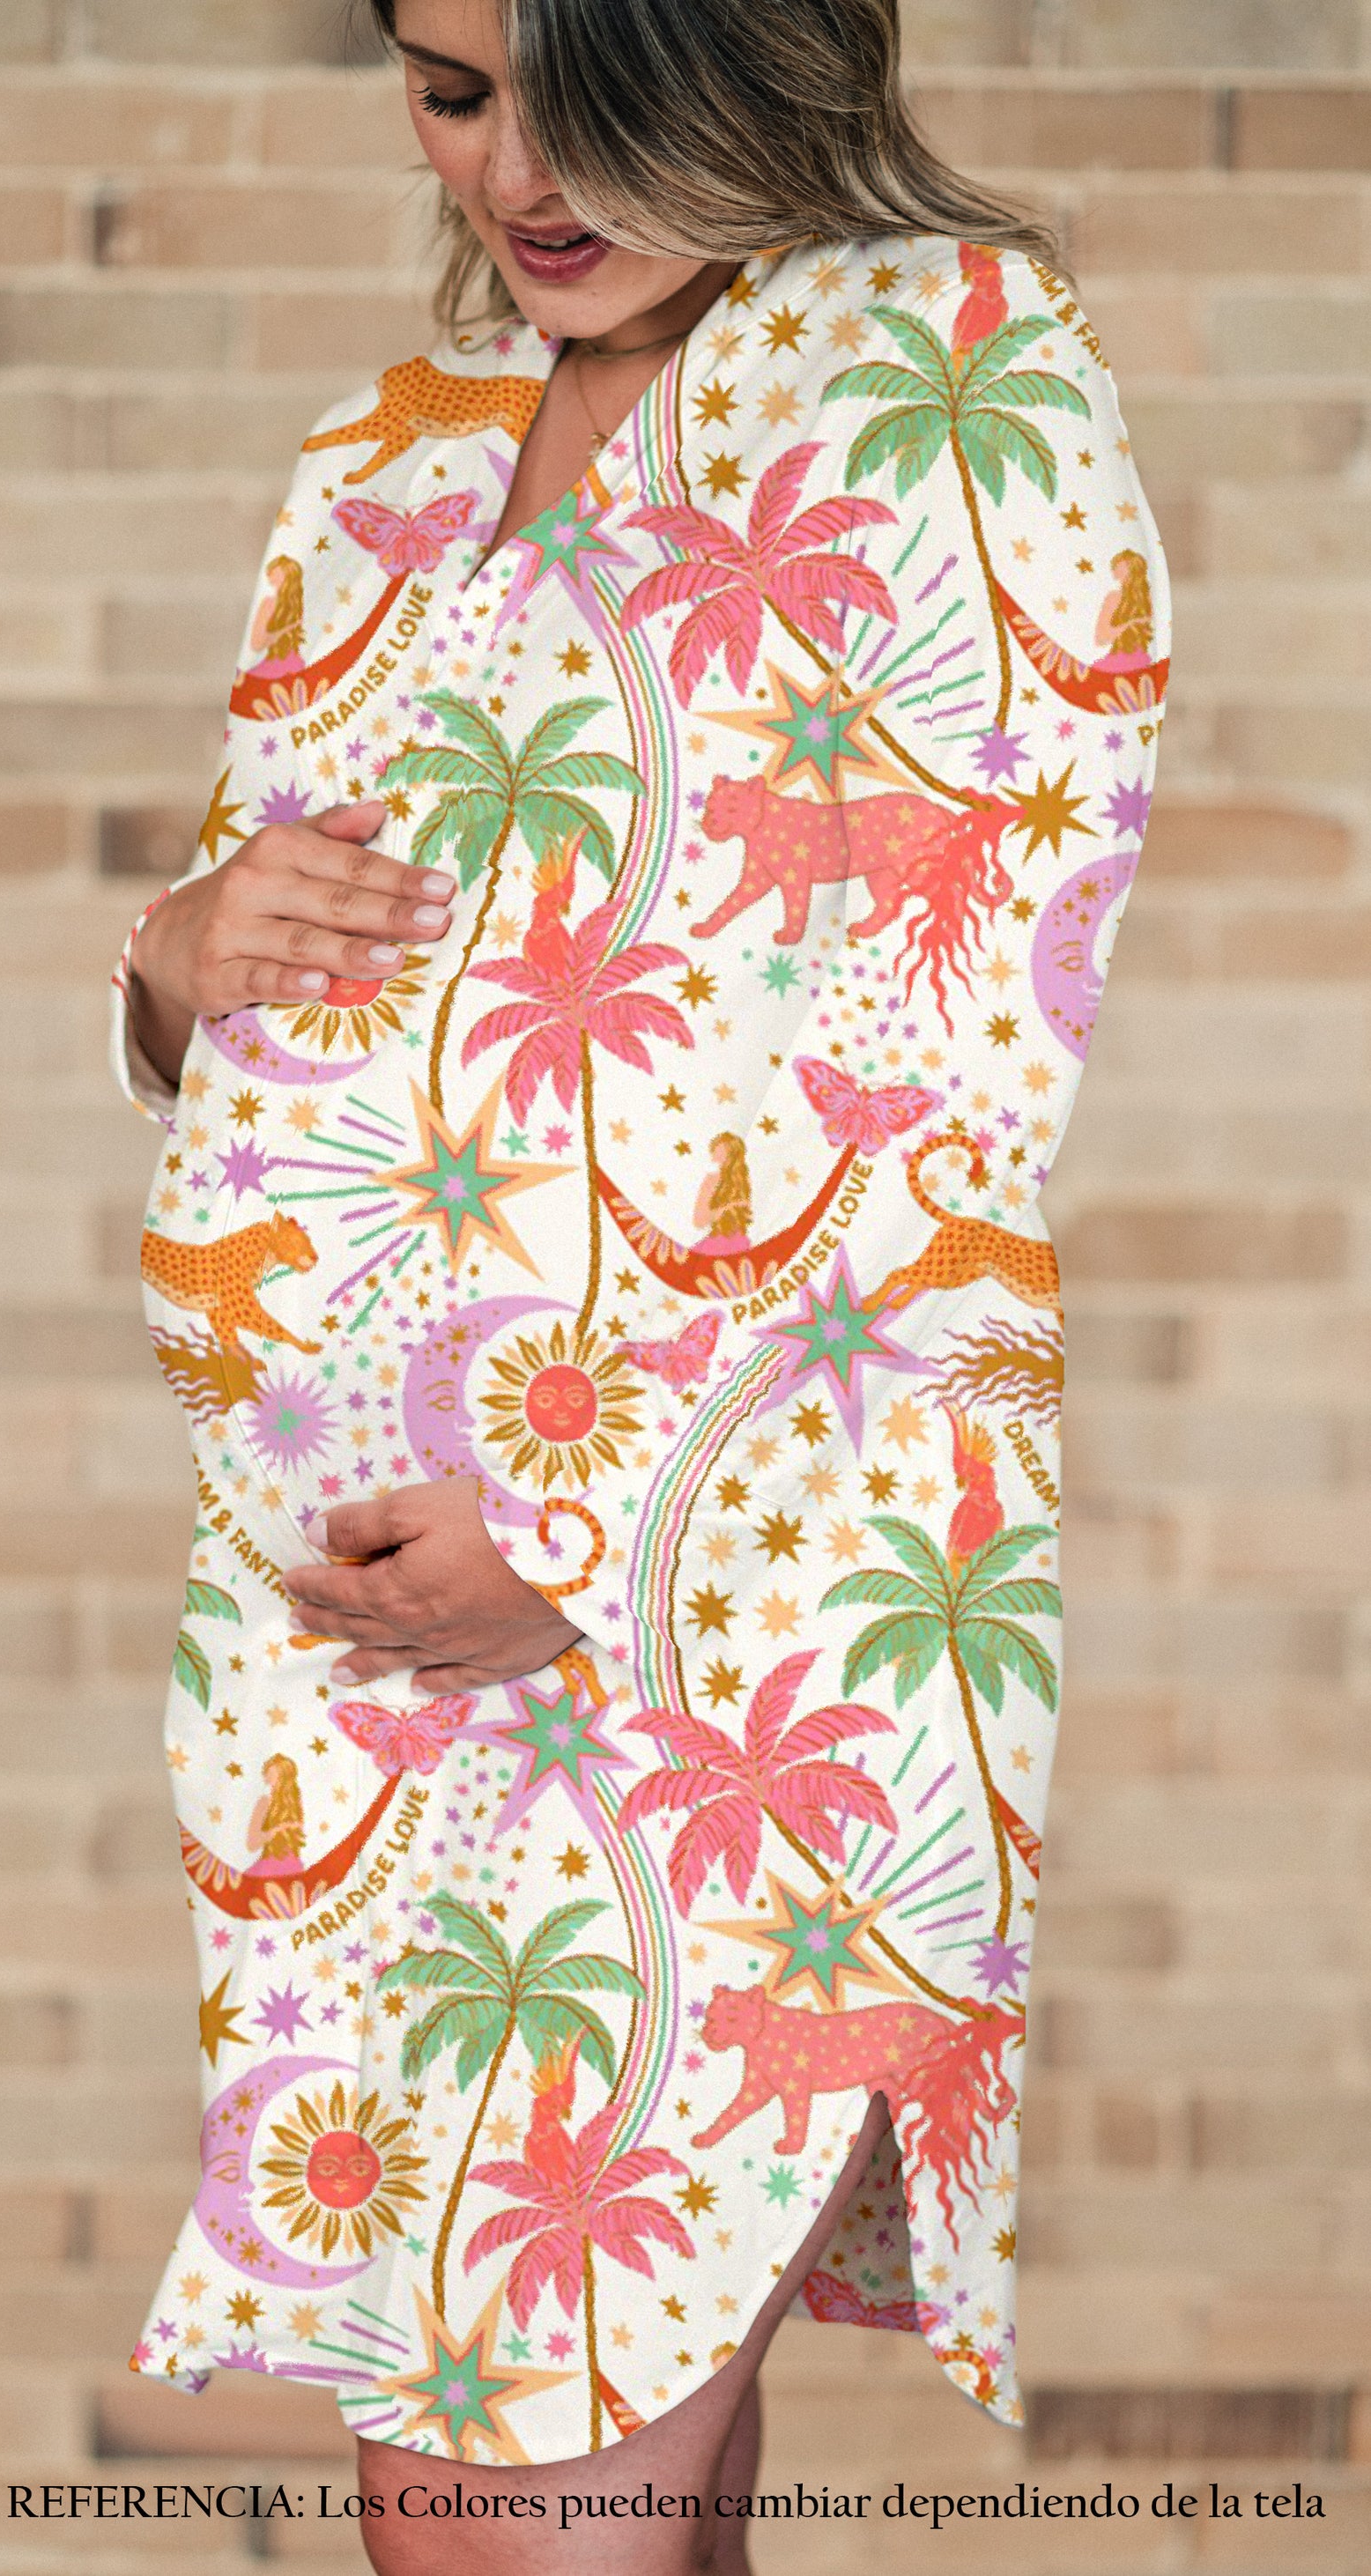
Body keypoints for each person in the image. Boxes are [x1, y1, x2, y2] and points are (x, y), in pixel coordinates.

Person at [110, 1, 1169, 2561]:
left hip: (719, 1624)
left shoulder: (952, 391)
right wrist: (163, 958)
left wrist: (588, 1536)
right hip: (354, 1689)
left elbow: (946, 1069)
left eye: (578, 81)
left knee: (491, 2515)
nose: (518, 171)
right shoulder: (386, 460)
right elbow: (292, 989)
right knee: (607, 2507)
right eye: (450, 86)